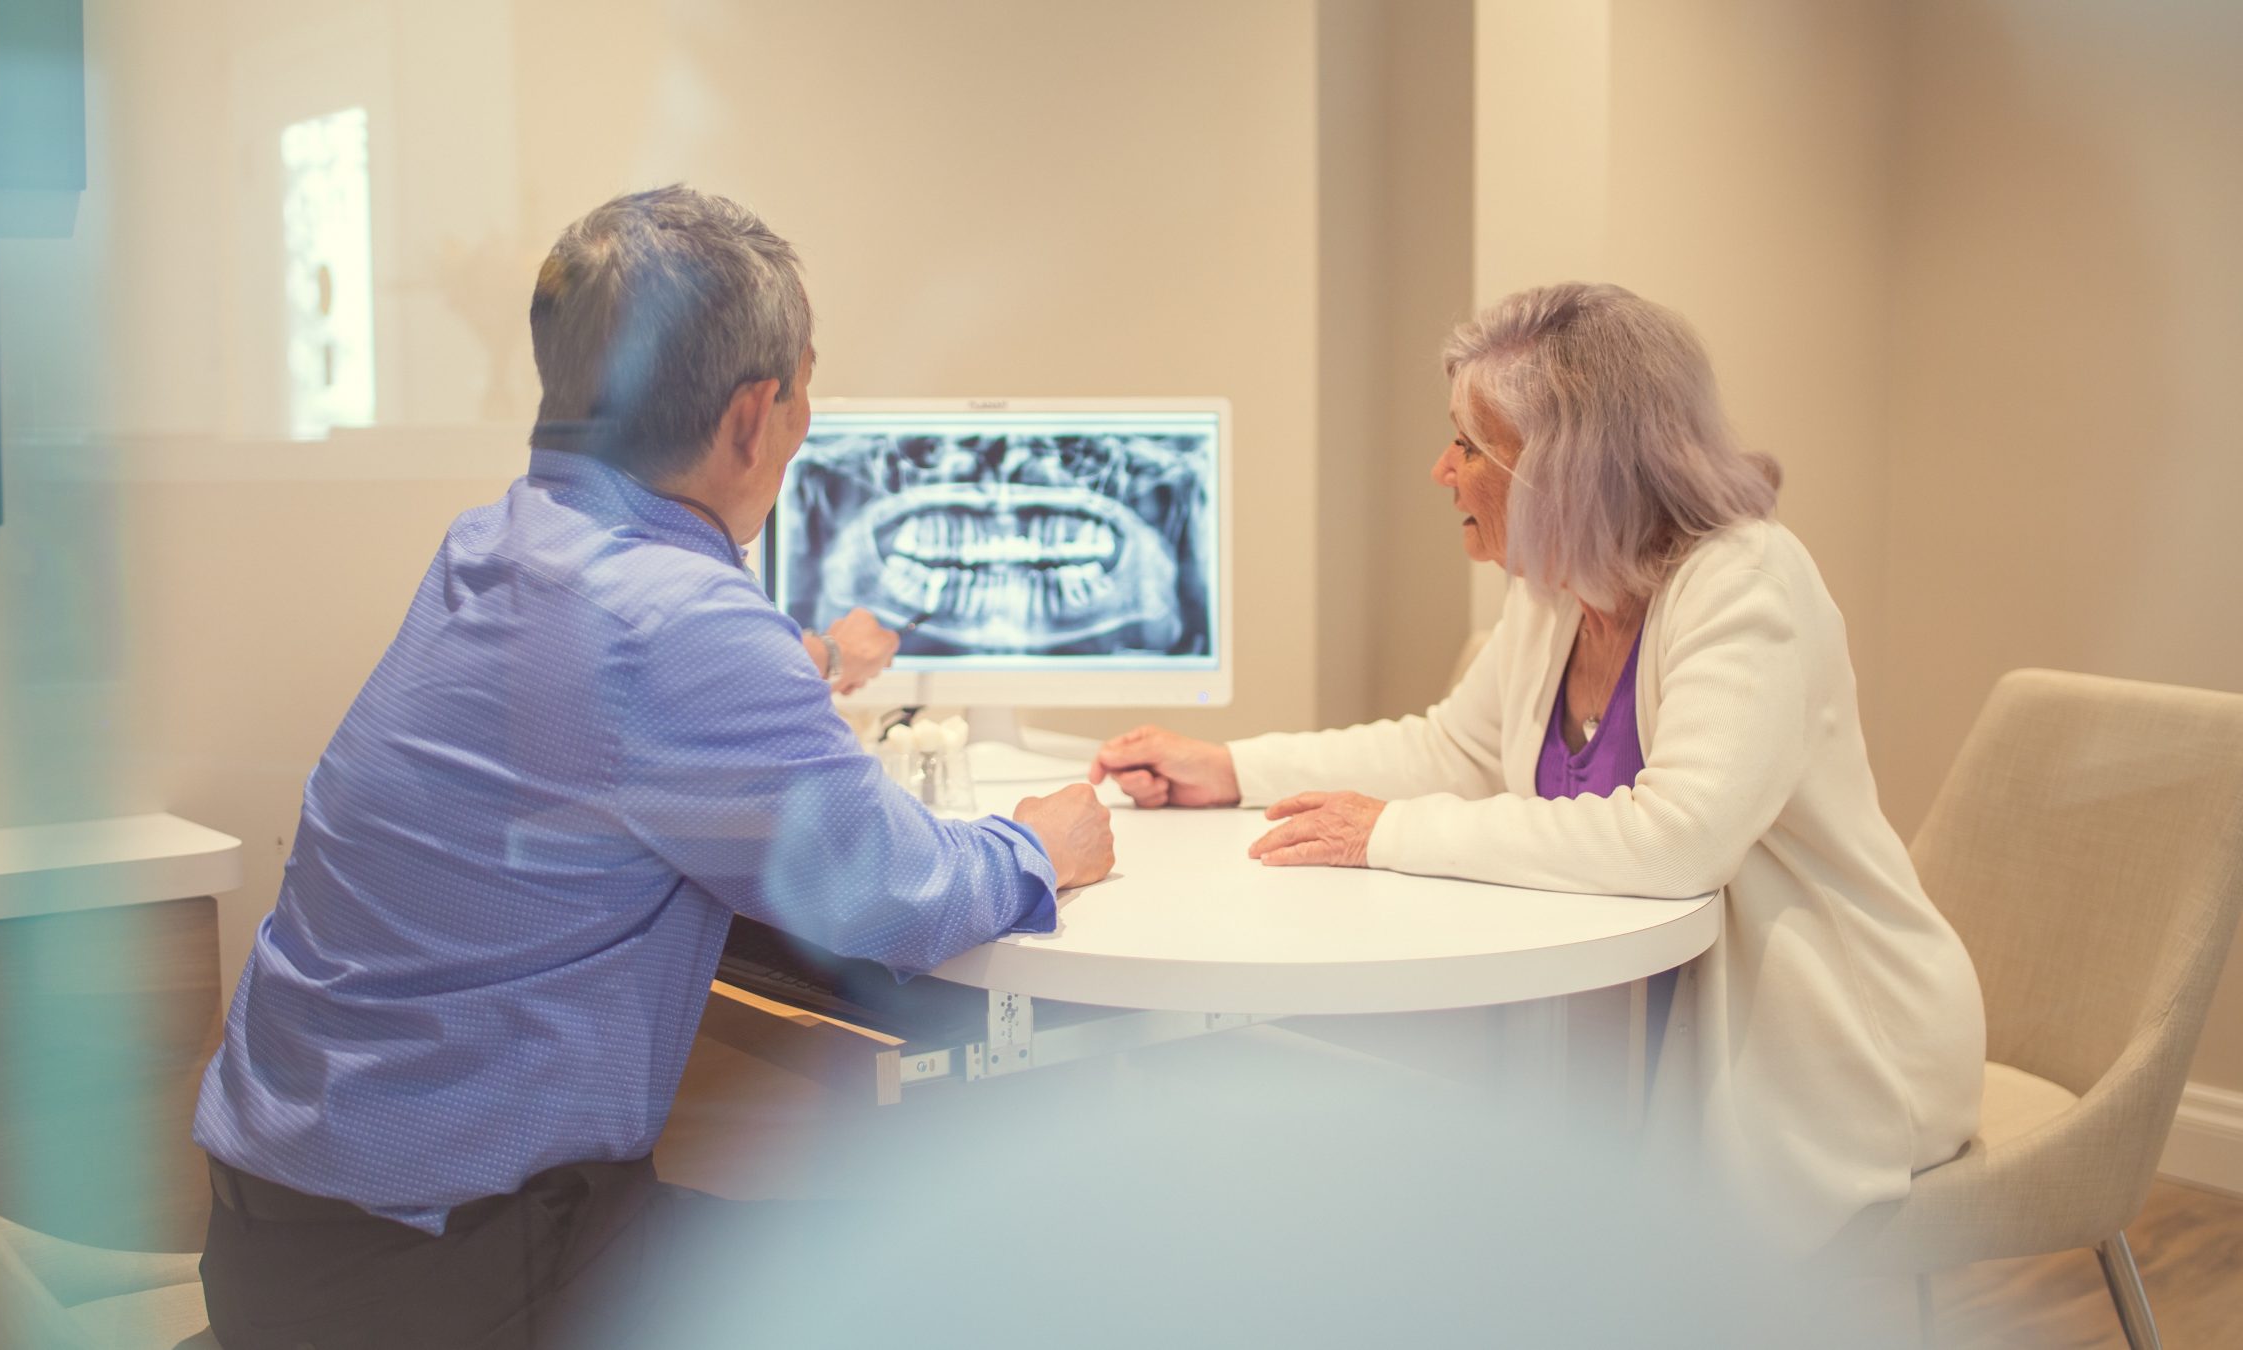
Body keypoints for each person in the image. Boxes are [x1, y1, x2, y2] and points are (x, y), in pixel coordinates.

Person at [191, 185, 1115, 1349]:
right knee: (938, 1280)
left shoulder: (499, 544)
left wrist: (812, 657)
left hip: (294, 1246)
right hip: (447, 1286)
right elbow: (899, 893)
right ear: (752, 418)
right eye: (806, 395)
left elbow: (605, 715)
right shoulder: (682, 629)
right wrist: (1044, 842)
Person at [1091, 281, 1983, 1248]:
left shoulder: (1747, 583)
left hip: (1835, 1051)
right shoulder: (1559, 586)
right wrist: (1230, 767)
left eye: (1470, 446)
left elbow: (1678, 840)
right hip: (1628, 1044)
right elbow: (1453, 752)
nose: (1441, 470)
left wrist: (1386, 833)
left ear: (1570, 471)